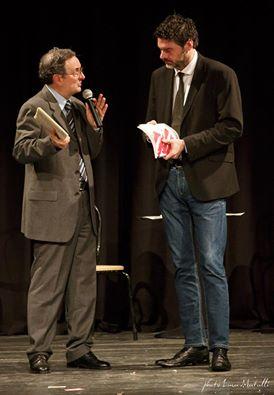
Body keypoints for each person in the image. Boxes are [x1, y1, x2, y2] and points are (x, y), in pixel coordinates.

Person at [144, 14, 243, 371]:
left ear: (190, 45)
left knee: (212, 265)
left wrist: (186, 144)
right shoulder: (159, 77)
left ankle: (219, 346)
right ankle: (195, 344)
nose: (162, 57)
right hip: (170, 182)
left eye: (168, 50)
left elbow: (232, 126)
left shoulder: (219, 74)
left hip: (207, 181)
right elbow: (155, 117)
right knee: (183, 266)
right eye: (159, 50)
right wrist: (154, 133)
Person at [13, 47, 111, 373]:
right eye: (77, 72)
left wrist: (96, 125)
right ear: (58, 77)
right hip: (53, 210)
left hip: (83, 205)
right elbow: (21, 150)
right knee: (48, 285)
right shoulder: (34, 107)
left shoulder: (79, 107)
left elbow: (92, 152)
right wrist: (48, 144)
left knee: (83, 284)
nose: (82, 77)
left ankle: (80, 349)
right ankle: (39, 351)